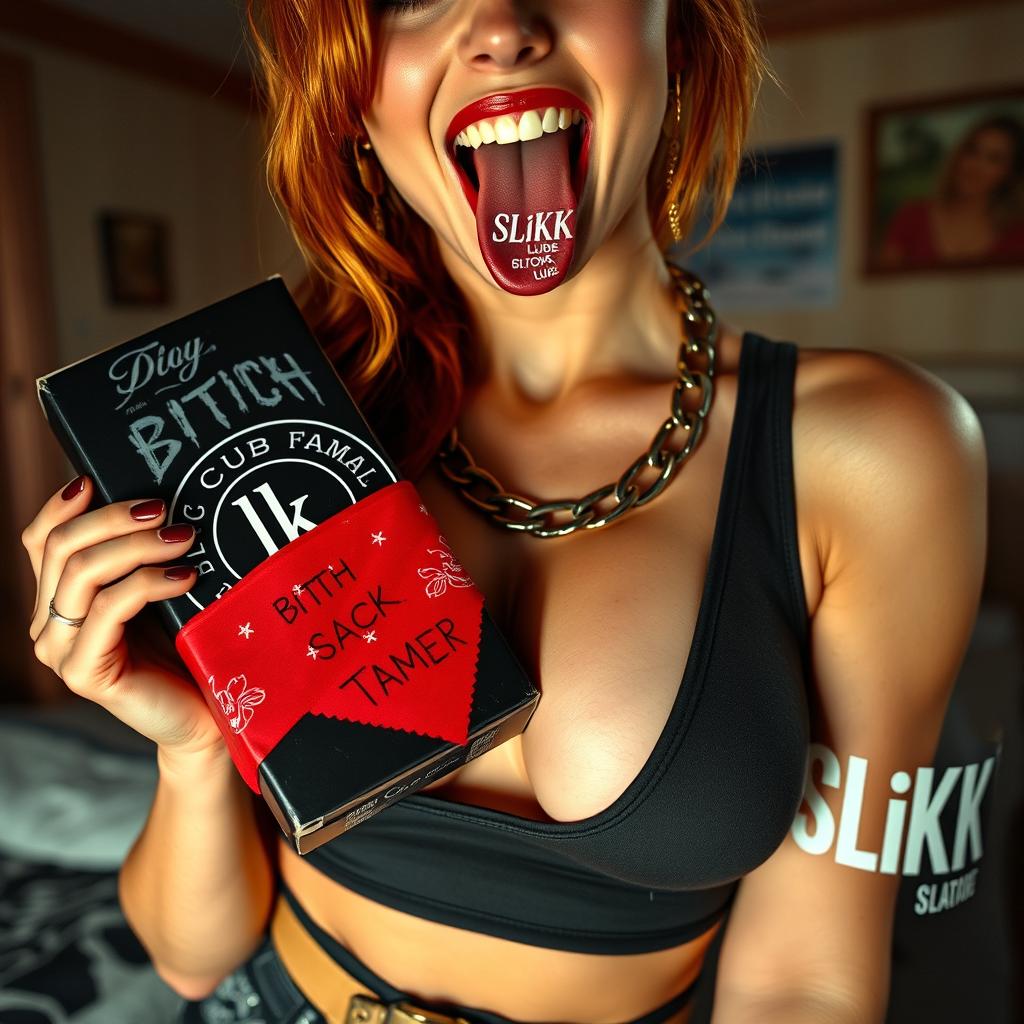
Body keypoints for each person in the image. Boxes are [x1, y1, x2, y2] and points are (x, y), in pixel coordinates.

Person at [22, 2, 988, 1022]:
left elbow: (809, 980)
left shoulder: (876, 450)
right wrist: (194, 745)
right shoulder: (267, 428)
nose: (502, 27)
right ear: (354, 97)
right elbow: (188, 958)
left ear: (678, 31)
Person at [877, 114, 1024, 267]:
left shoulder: (1018, 233)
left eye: (994, 159)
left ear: (1011, 173)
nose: (975, 166)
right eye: (972, 151)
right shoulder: (911, 217)